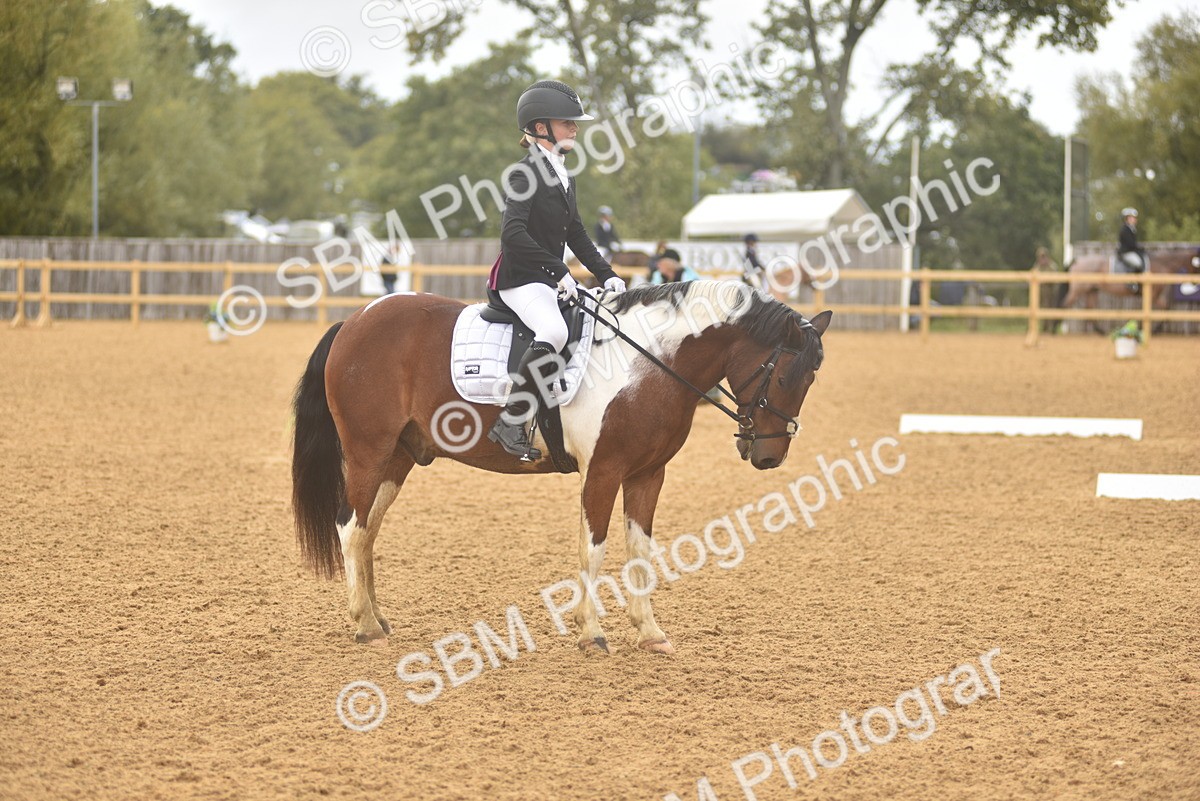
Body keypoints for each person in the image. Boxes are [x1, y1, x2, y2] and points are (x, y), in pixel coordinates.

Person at [487, 80, 626, 461]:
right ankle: (511, 420)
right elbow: (511, 234)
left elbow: (576, 233)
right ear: (540, 127)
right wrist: (559, 271)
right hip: (520, 279)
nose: (575, 128)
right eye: (568, 122)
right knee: (554, 329)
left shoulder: (565, 174)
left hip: (548, 277)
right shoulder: (523, 173)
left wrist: (606, 273)